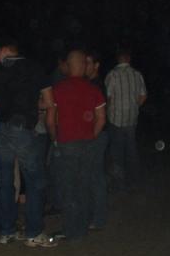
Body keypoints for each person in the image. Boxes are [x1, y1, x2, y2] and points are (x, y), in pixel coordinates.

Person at [0, 36, 57, 248]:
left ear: (7, 50)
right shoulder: (35, 68)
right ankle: (34, 232)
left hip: (2, 130)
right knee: (34, 181)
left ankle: (7, 231)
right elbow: (49, 102)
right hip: (23, 130)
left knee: (6, 182)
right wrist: (34, 105)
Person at [47, 50, 106, 240]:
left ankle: (71, 230)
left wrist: (55, 138)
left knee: (68, 188)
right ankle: (82, 227)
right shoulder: (93, 89)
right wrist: (91, 135)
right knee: (83, 186)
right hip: (87, 144)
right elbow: (101, 118)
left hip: (66, 143)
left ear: (68, 66)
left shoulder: (58, 89)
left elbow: (50, 119)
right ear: (83, 65)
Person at [105, 45, 147, 192]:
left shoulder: (112, 75)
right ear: (128, 58)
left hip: (115, 119)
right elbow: (143, 96)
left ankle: (120, 184)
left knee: (117, 152)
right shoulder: (137, 74)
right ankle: (134, 181)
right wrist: (133, 106)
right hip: (131, 119)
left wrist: (110, 110)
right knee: (131, 151)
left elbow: (108, 97)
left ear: (118, 59)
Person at [85, 49, 108, 230]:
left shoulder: (97, 85)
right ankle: (92, 215)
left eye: (88, 63)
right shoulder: (88, 83)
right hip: (92, 135)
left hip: (97, 135)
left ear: (96, 65)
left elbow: (100, 116)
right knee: (91, 176)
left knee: (95, 177)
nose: (85, 66)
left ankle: (98, 218)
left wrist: (92, 136)